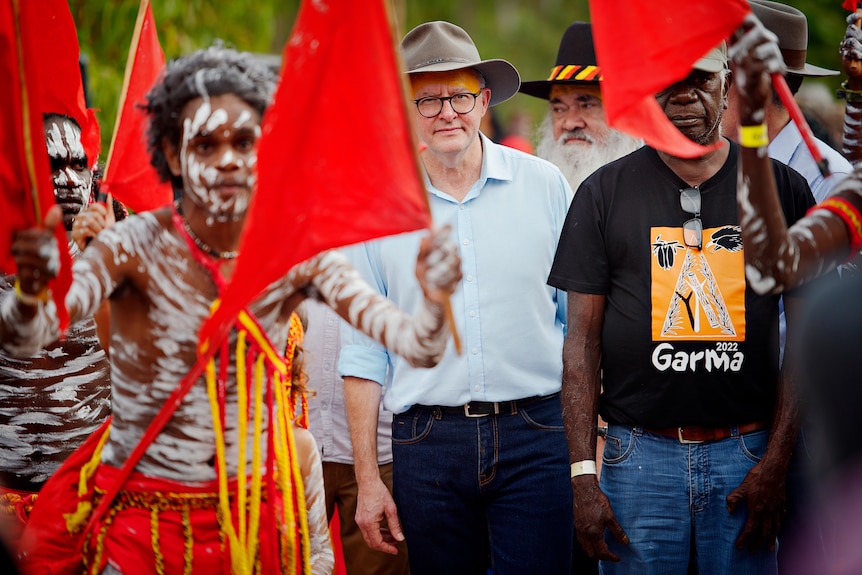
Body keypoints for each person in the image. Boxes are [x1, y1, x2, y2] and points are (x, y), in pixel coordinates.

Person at [2, 44, 461, 575]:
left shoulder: (291, 255)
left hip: (254, 527)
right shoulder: (132, 244)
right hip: (144, 531)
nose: (225, 159)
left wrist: (432, 296)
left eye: (243, 141)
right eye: (206, 143)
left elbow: (414, 342)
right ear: (174, 155)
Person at [548, 26, 815, 574]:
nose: (684, 95)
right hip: (637, 458)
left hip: (746, 455)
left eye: (701, 81)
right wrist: (582, 476)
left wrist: (777, 462)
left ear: (728, 87)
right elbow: (580, 345)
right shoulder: (602, 193)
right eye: (668, 83)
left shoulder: (782, 190)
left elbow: (808, 340)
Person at [339, 21, 575, 575]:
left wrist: (587, 452)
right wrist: (369, 482)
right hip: (428, 443)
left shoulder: (545, 186)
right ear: (408, 111)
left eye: (461, 96)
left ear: (485, 99)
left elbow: (578, 326)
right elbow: (362, 352)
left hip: (537, 434)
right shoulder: (377, 210)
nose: (447, 112)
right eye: (428, 100)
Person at [0, 113, 111, 547]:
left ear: (93, 174)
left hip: (89, 502)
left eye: (79, 164)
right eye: (52, 165)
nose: (67, 179)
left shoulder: (120, 260)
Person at [300, 298, 410, 575]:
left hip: (381, 452)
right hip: (296, 448)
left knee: (381, 566)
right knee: (285, 562)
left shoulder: (386, 257)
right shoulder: (286, 260)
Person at [722, 0, 851, 204]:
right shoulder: (713, 163)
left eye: (718, 78)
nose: (705, 94)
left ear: (756, 88)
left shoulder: (829, 180)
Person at [519, 22, 641, 193]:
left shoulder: (651, 186)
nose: (570, 123)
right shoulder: (530, 191)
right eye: (559, 109)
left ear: (621, 114)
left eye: (586, 105)